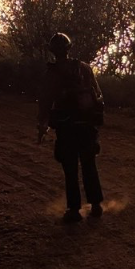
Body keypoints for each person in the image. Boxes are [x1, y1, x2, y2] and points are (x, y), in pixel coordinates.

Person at [38, 32, 106, 222]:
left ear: (53, 52)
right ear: (69, 49)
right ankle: (96, 205)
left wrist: (42, 126)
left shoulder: (52, 73)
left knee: (70, 168)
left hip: (66, 127)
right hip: (86, 125)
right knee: (89, 164)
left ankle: (74, 210)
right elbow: (98, 96)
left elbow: (45, 102)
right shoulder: (84, 68)